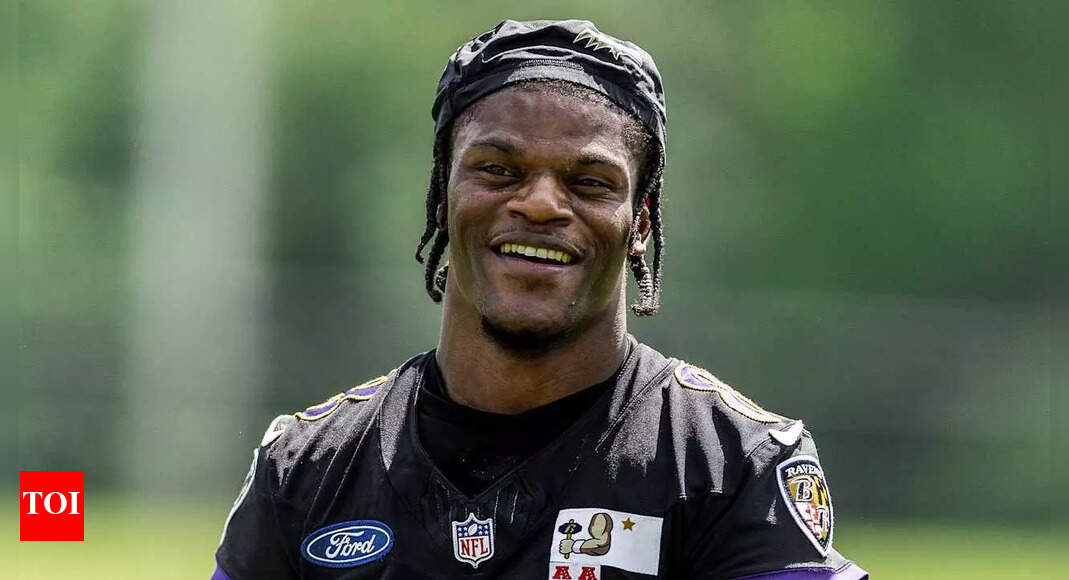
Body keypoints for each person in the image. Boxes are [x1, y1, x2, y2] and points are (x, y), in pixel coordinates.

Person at [213, 19, 868, 580]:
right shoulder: (304, 467)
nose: (540, 204)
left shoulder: (733, 463)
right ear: (442, 196)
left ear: (639, 224)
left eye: (589, 182)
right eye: (499, 170)